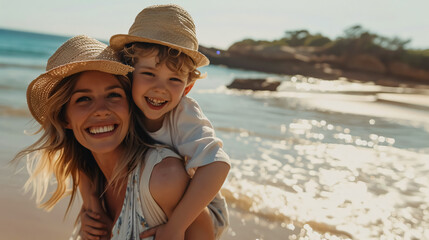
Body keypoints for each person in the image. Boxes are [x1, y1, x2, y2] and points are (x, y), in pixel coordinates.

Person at [13, 35, 192, 240]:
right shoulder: (90, 177)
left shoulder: (163, 178)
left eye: (113, 95)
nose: (101, 111)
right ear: (65, 118)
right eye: (84, 99)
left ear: (129, 105)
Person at [79, 4, 231, 240]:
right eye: (149, 74)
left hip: (202, 207)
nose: (160, 89)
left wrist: (177, 226)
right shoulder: (121, 105)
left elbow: (217, 165)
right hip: (154, 192)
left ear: (187, 88)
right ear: (128, 74)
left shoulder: (183, 114)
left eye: (174, 79)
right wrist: (90, 207)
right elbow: (86, 153)